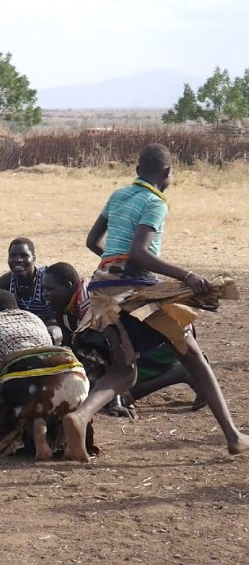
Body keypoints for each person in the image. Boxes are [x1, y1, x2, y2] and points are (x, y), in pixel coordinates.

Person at [62, 143, 249, 462]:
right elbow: (139, 253)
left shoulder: (118, 195)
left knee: (123, 371)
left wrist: (114, 265)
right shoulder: (156, 202)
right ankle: (233, 436)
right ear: (167, 174)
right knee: (193, 356)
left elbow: (93, 242)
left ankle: (80, 417)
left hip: (103, 288)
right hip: (136, 292)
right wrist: (187, 276)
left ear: (137, 171)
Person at [42, 262, 206, 414]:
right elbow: (75, 349)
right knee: (89, 389)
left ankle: (179, 373)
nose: (45, 295)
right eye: (43, 289)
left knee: (102, 395)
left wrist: (115, 401)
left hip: (158, 344)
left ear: (67, 286)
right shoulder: (69, 304)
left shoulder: (92, 303)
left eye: (49, 289)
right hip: (134, 344)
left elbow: (112, 351)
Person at [0, 289, 91, 461]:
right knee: (54, 404)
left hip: (21, 377)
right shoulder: (33, 317)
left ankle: (33, 427)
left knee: (7, 420)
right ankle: (65, 435)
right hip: (72, 372)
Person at [0, 237, 61, 343]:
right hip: (18, 331)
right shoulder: (5, 282)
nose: (18, 260)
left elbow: (61, 310)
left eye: (24, 255)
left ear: (33, 258)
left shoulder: (47, 279)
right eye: (13, 256)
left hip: (48, 326)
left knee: (52, 334)